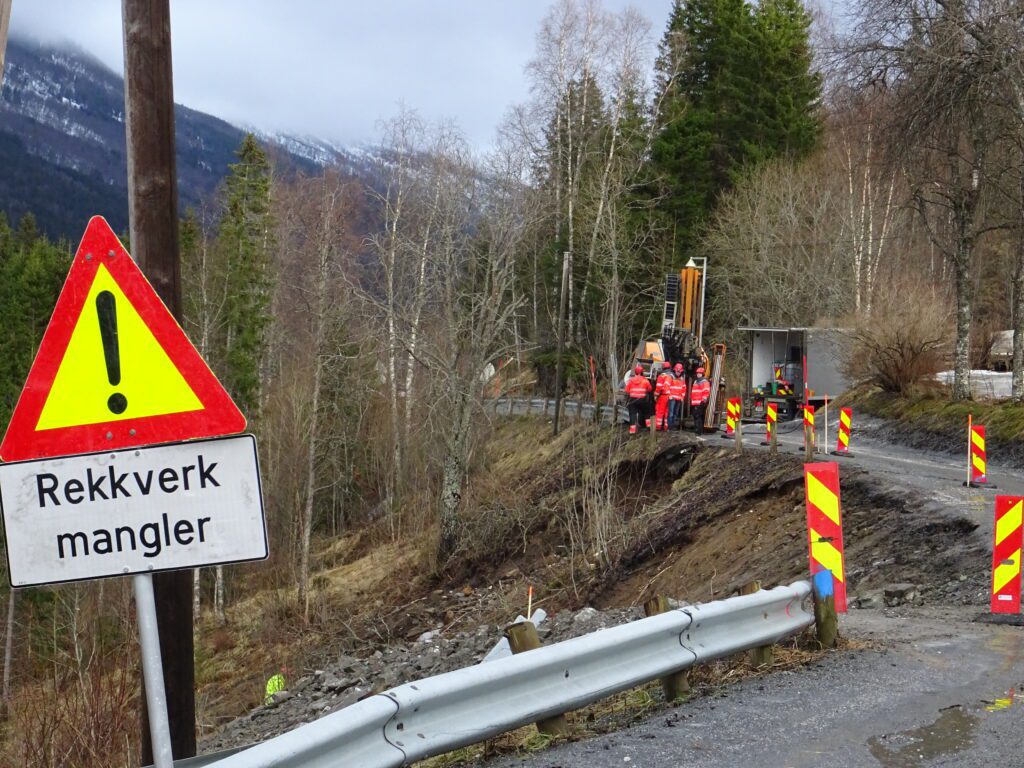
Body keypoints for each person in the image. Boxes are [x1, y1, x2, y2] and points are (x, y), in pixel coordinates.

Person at [624, 364, 652, 434]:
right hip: (642, 400)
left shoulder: (631, 381)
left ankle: (632, 431)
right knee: (647, 412)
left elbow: (627, 390)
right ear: (642, 372)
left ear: (635, 372)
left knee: (632, 414)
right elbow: (650, 389)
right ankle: (649, 427)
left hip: (633, 400)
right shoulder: (645, 381)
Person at [690, 366, 711, 435]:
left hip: (700, 402)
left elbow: (706, 391)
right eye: (697, 373)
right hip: (695, 402)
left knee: (698, 416)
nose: (698, 374)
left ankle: (698, 431)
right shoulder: (696, 381)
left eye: (700, 373)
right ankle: (698, 430)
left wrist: (703, 401)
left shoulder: (704, 382)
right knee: (696, 416)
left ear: (702, 374)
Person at [654, 361, 673, 431]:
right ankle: (666, 427)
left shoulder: (661, 376)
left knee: (659, 411)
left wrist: (656, 395)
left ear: (663, 368)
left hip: (663, 396)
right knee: (667, 412)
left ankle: (658, 426)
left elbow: (659, 387)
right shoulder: (672, 376)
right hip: (670, 396)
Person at [668, 363, 687, 429]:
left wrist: (682, 397)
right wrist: (669, 395)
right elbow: (667, 386)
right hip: (672, 398)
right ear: (675, 370)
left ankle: (673, 426)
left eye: (679, 371)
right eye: (677, 371)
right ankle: (669, 427)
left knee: (675, 413)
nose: (678, 373)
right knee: (671, 413)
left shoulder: (682, 379)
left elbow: (684, 388)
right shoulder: (671, 377)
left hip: (678, 398)